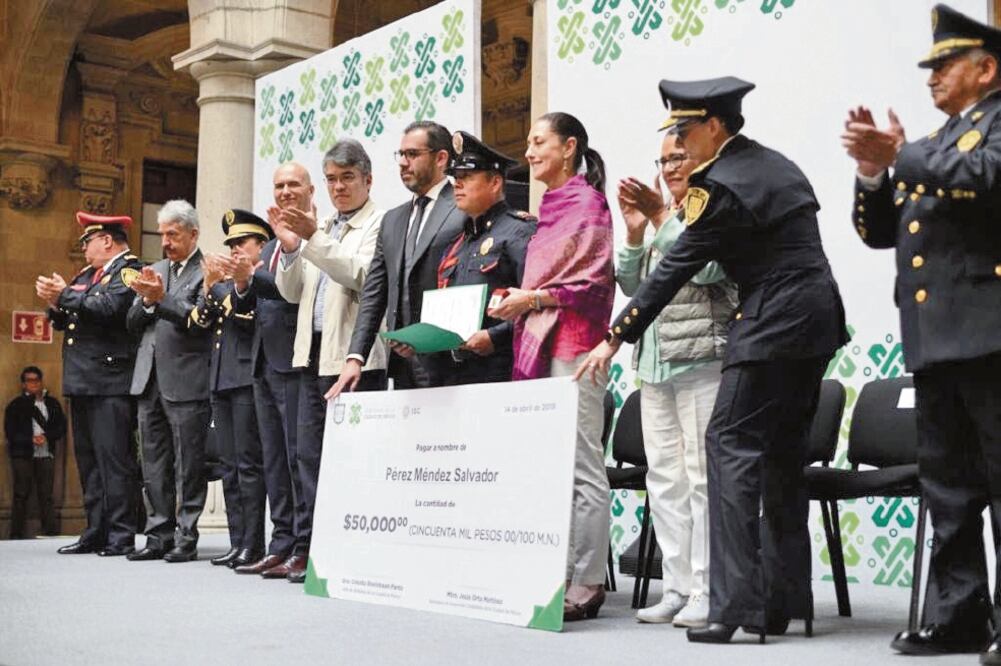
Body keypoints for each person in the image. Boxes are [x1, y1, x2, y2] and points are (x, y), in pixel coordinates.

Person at [577, 77, 847, 643]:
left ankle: (732, 608)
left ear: (715, 127)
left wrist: (615, 336)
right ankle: (783, 600)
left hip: (773, 321)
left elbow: (676, 267)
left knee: (726, 444)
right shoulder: (773, 164)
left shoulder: (716, 186)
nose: (679, 140)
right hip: (819, 319)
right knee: (780, 457)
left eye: (685, 129)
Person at [842, 5, 1001, 660]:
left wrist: (900, 154)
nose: (931, 75)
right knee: (949, 489)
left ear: (985, 68)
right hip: (934, 338)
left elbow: (987, 178)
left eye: (944, 63)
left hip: (989, 333)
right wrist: (875, 172)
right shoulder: (938, 139)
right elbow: (882, 233)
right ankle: (960, 615)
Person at [490, 112, 615, 621]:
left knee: (583, 466)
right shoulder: (548, 209)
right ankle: (555, 570)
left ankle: (588, 579)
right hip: (540, 347)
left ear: (569, 148)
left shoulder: (589, 203)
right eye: (527, 141)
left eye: (538, 141)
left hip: (576, 349)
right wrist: (516, 300)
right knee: (549, 465)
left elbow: (595, 286)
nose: (529, 151)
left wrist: (532, 298)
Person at [615, 133, 737, 627]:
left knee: (702, 478)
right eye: (662, 159)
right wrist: (634, 234)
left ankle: (709, 591)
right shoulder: (662, 215)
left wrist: (663, 221)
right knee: (663, 479)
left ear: (703, 158)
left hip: (700, 357)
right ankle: (678, 588)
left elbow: (708, 271)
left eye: (678, 157)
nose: (667, 168)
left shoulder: (714, 209)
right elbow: (633, 288)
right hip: (653, 363)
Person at [274, 143, 387, 582]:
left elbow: (361, 276)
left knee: (355, 460)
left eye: (347, 178)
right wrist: (288, 250)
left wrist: (312, 240)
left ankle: (351, 549)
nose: (338, 187)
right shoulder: (318, 225)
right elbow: (293, 292)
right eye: (332, 180)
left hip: (356, 359)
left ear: (367, 180)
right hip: (311, 355)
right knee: (307, 457)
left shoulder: (380, 223)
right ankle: (308, 547)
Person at [328, 121, 466, 399]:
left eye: (413, 155)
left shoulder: (463, 207)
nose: (403, 163)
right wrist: (355, 357)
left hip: (453, 361)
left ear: (441, 158)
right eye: (400, 155)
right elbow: (374, 292)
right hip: (403, 366)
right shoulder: (393, 219)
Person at [37, 212, 143, 556]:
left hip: (110, 380)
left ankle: (121, 533)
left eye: (88, 241)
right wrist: (54, 303)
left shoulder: (128, 269)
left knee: (115, 461)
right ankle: (96, 530)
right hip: (83, 379)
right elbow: (67, 318)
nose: (83, 248)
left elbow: (111, 307)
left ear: (107, 240)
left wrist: (64, 295)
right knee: (89, 461)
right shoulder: (86, 275)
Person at [126, 199, 211, 563]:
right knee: (153, 461)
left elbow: (198, 320)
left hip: (188, 379)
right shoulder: (155, 267)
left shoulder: (207, 271)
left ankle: (186, 535)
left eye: (173, 234)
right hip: (149, 380)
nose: (165, 241)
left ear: (193, 234)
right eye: (162, 234)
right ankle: (158, 534)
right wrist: (146, 303)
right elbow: (131, 323)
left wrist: (161, 299)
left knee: (189, 462)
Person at [229, 187, 306, 581]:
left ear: (310, 192)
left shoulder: (308, 240)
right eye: (279, 187)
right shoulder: (272, 246)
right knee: (273, 460)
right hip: (262, 363)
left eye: (293, 185)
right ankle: (280, 544)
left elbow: (293, 292)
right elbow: (246, 306)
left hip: (294, 361)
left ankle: (302, 546)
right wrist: (242, 283)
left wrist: (253, 277)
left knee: (296, 458)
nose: (285, 192)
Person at [190, 210, 273, 570]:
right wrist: (210, 285)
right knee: (227, 466)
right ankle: (237, 540)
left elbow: (245, 316)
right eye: (231, 245)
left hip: (246, 379)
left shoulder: (264, 279)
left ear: (262, 245)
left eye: (242, 243)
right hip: (221, 379)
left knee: (248, 465)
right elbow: (199, 322)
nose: (235, 250)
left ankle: (252, 543)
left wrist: (225, 285)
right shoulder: (224, 284)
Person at [433, 130, 536, 385]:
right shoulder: (457, 243)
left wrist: (495, 337)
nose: (457, 183)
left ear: (495, 183)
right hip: (455, 376)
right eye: (455, 177)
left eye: (466, 176)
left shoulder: (520, 230)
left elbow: (536, 305)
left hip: (503, 373)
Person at [4, 366, 66, 539]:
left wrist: (46, 436)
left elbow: (60, 426)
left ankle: (51, 531)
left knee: (46, 494)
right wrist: (29, 439)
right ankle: (16, 533)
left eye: (36, 380)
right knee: (21, 493)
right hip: (23, 454)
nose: (34, 384)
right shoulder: (16, 405)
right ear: (23, 384)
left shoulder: (52, 404)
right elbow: (10, 431)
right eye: (30, 381)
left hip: (46, 453)